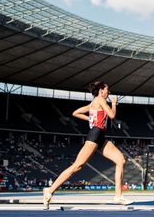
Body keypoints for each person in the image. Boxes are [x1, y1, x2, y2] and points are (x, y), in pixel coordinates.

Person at [42, 81, 132, 209]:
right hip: (94, 135)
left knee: (120, 160)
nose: (109, 92)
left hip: (100, 137)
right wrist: (113, 104)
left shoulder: (93, 103)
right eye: (107, 90)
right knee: (77, 166)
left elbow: (76, 113)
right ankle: (49, 190)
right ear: (101, 91)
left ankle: (118, 196)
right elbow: (112, 115)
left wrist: (91, 118)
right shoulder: (100, 99)